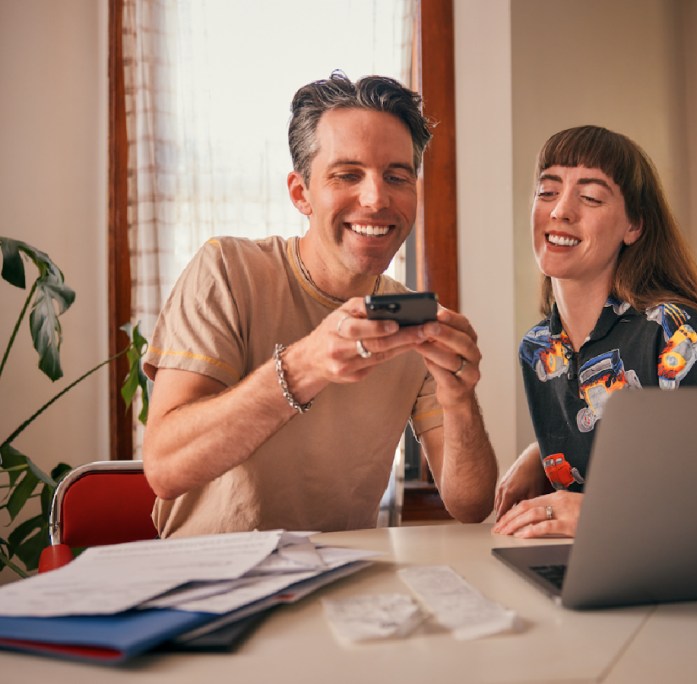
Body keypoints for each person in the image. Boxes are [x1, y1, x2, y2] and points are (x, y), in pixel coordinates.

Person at [141, 72, 497, 537]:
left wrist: (460, 397)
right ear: (300, 193)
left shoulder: (413, 316)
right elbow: (165, 469)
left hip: (342, 578)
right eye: (348, 175)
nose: (376, 198)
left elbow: (470, 505)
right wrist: (307, 364)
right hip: (209, 581)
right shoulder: (227, 270)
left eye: (397, 176)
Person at [492, 125, 697, 539]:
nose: (560, 210)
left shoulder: (674, 333)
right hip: (603, 569)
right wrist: (543, 454)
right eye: (547, 191)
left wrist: (600, 514)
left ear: (633, 225)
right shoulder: (539, 349)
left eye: (590, 197)